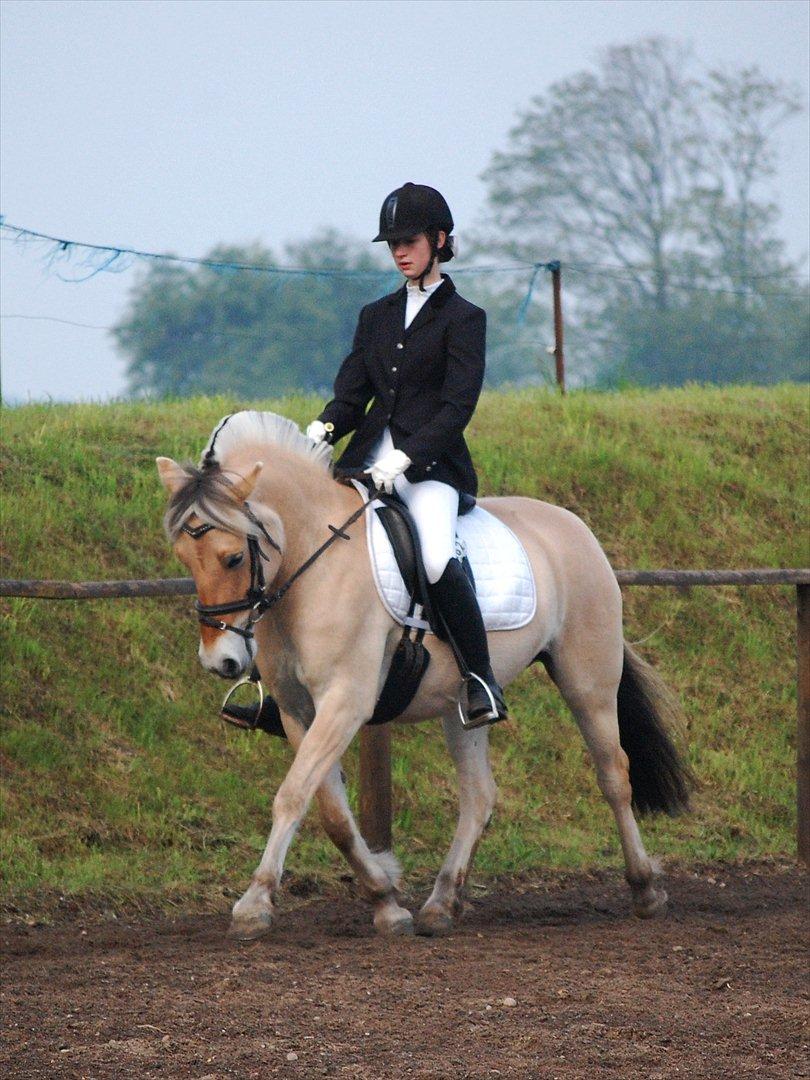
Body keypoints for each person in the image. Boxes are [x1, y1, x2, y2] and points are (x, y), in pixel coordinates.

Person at [305, 182, 508, 727]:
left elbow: (456, 409)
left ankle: (480, 678)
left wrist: (408, 458)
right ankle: (277, 677)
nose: (399, 251)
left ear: (439, 240)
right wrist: (323, 429)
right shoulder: (376, 315)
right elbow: (353, 395)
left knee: (438, 557)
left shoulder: (465, 318)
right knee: (307, 543)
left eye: (409, 240)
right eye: (392, 242)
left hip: (432, 469)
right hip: (363, 463)